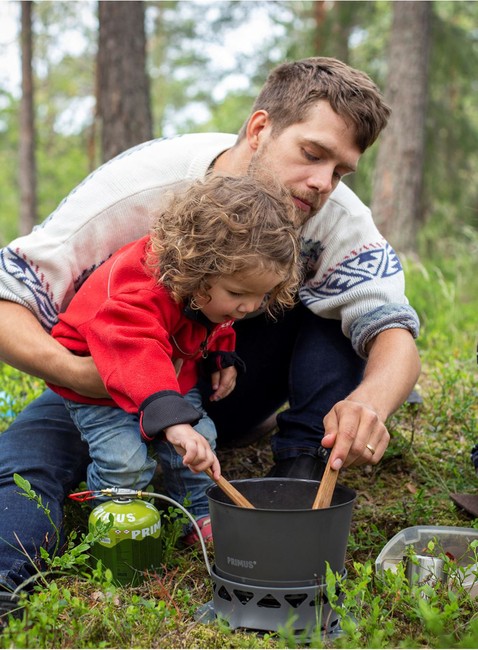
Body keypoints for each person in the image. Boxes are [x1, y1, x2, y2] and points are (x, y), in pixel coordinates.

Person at [0, 56, 421, 611]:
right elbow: (9, 300)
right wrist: (82, 373)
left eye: (340, 171)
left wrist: (370, 402)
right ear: (260, 128)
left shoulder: (336, 216)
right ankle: (13, 574)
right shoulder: (140, 188)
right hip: (112, 372)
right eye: (312, 154)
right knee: (23, 462)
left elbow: (393, 328)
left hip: (217, 380)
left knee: (339, 310)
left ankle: (299, 470)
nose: (323, 183)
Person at [47, 174, 301, 545]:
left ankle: (198, 514)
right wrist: (173, 421)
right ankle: (115, 527)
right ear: (198, 272)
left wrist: (222, 354)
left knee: (202, 439)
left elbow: (214, 320)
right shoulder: (142, 284)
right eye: (237, 293)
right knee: (124, 460)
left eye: (260, 296)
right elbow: (133, 343)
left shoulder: (214, 292)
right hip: (100, 377)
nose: (248, 307)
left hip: (168, 372)